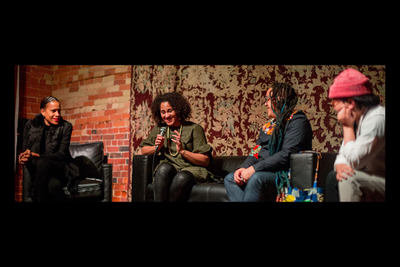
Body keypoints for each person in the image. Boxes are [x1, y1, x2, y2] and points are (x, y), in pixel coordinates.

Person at [224, 83, 313, 202]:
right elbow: (256, 152)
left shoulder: (297, 121)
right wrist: (242, 168)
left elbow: (287, 154)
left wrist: (254, 169)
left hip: (284, 174)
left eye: (268, 99)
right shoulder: (268, 127)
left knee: (256, 178)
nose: (265, 103)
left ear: (280, 98)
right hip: (263, 172)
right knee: (230, 178)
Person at [140, 91, 213, 202]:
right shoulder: (160, 128)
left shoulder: (194, 128)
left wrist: (182, 151)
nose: (166, 116)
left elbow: (205, 160)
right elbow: (144, 150)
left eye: (170, 111)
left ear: (178, 110)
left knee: (181, 177)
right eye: (163, 112)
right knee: (163, 168)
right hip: (170, 168)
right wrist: (156, 147)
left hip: (191, 169)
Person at [325, 68, 385, 202]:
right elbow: (343, 154)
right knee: (333, 177)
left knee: (349, 179)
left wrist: (347, 127)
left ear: (351, 103)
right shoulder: (360, 118)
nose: (334, 108)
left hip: (383, 178)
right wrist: (340, 165)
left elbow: (354, 162)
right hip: (377, 176)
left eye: (335, 102)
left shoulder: (377, 119)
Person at [19, 96, 79, 202]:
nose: (57, 114)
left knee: (43, 162)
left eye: (59, 111)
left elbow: (60, 155)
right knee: (54, 186)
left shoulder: (65, 126)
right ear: (43, 111)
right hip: (39, 171)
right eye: (53, 111)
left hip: (59, 167)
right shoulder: (30, 125)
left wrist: (36, 155)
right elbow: (25, 150)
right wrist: (22, 157)